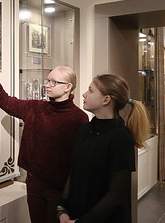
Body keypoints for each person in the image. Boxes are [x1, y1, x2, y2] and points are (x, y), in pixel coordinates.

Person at [0, 52, 89, 223]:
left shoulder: (78, 118)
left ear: (68, 87)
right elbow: (7, 102)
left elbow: (80, 160)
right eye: (47, 80)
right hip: (34, 183)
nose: (47, 85)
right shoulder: (36, 107)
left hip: (60, 190)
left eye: (53, 82)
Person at [57, 74, 150, 223]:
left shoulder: (121, 138)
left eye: (90, 90)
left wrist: (82, 221)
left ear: (106, 100)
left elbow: (116, 194)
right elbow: (74, 172)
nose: (84, 94)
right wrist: (62, 208)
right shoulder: (84, 130)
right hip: (75, 213)